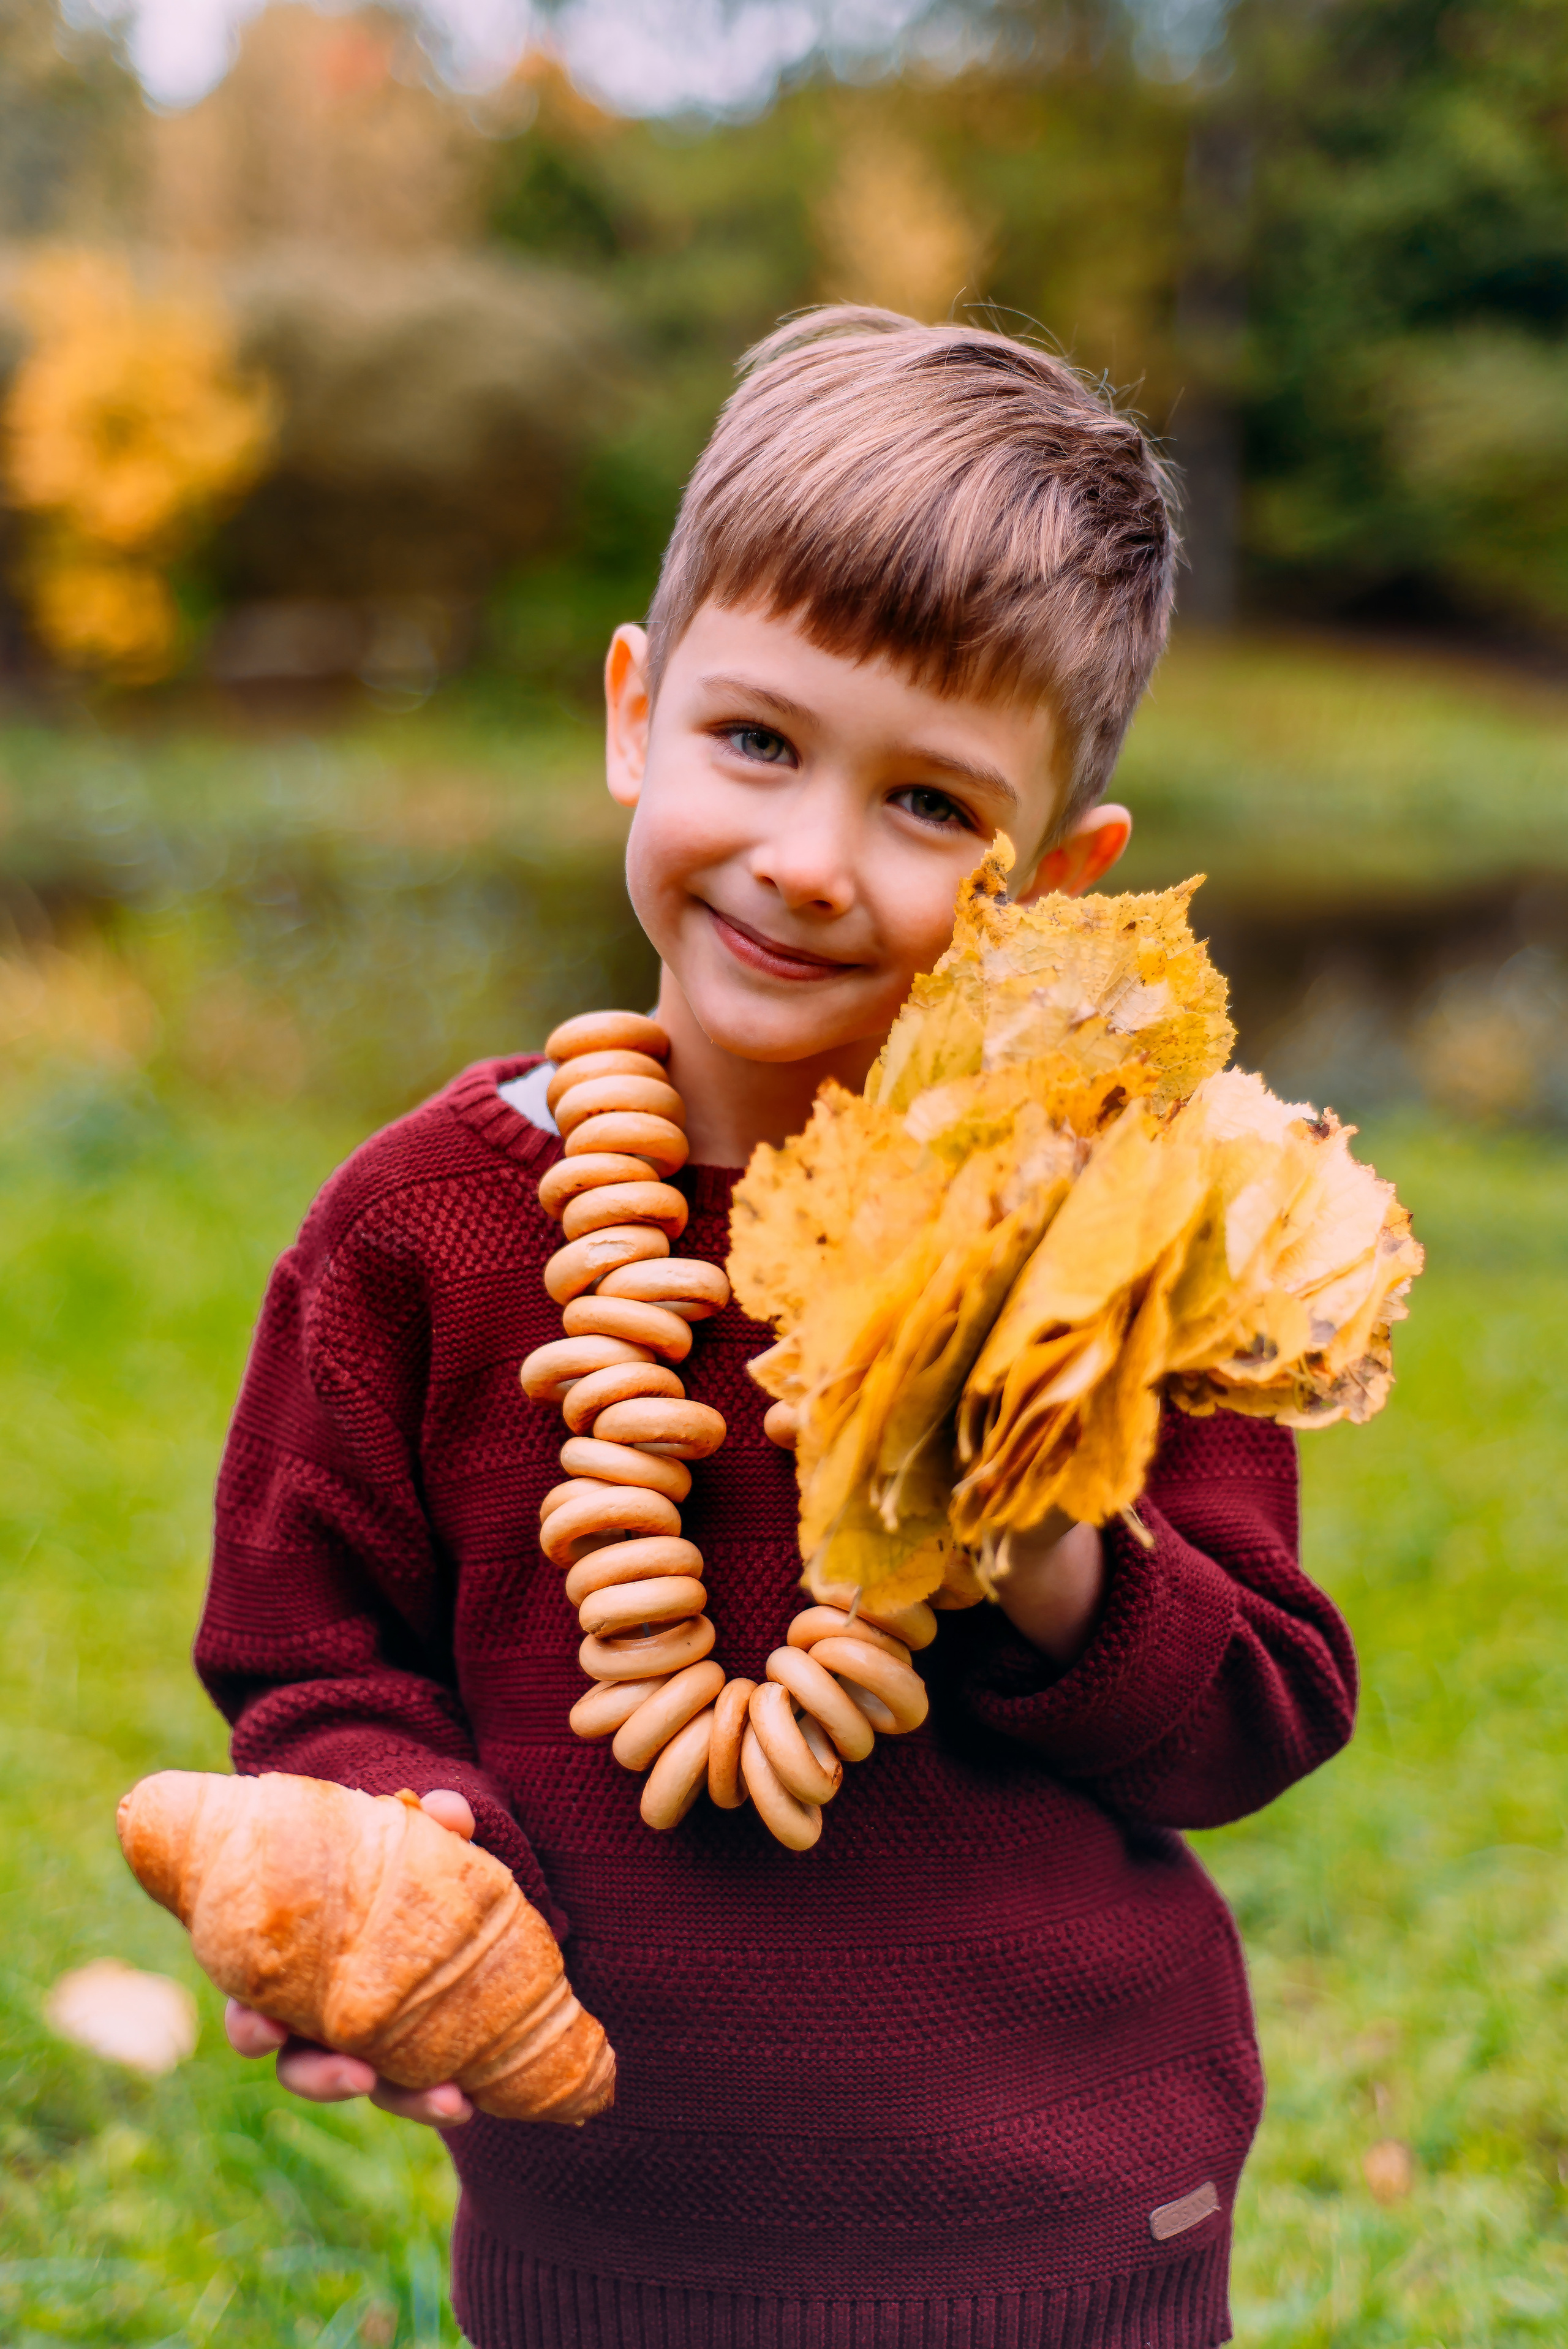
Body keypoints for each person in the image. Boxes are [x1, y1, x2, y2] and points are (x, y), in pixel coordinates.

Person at [200, 308, 1356, 2348]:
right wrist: (393, 1855)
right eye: (758, 741)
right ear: (636, 713)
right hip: (605, 2251)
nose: (811, 863)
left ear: (1055, 878)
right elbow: (308, 1656)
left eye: (929, 803)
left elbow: (1259, 1705)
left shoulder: (1112, 1231)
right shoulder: (419, 1233)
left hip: (1072, 2239)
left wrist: (1042, 1534)